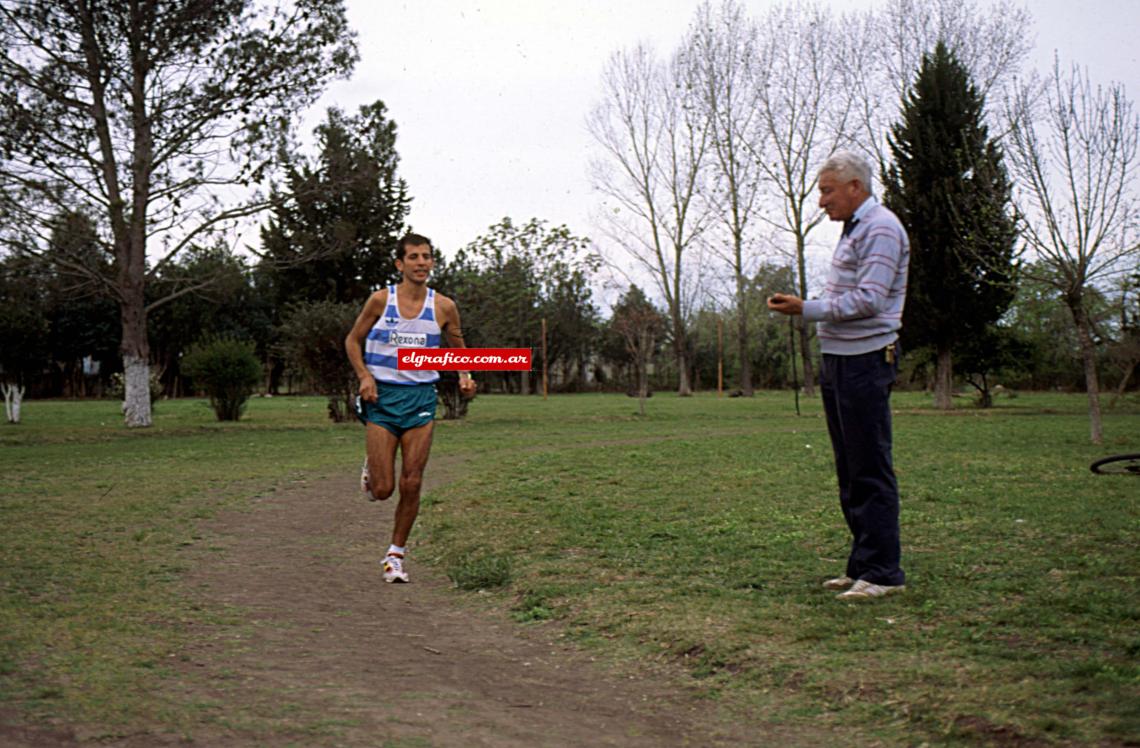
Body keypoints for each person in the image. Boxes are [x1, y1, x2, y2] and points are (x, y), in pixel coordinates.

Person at [768, 150, 909, 601]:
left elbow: (869, 300)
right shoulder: (856, 230)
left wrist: (805, 309)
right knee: (851, 470)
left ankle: (885, 573)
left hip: (865, 361)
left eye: (827, 191)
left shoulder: (882, 228)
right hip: (841, 360)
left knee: (870, 468)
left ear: (855, 187)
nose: (822, 201)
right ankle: (863, 566)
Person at [345, 233, 476, 583]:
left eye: (427, 257)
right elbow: (352, 340)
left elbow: (459, 348)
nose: (422, 263)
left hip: (420, 398)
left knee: (413, 481)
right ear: (400, 264)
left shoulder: (444, 307)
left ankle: (395, 556)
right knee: (384, 489)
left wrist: (465, 374)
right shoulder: (380, 300)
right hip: (382, 399)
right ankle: (373, 470)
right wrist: (364, 377)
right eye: (414, 257)